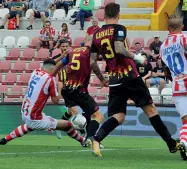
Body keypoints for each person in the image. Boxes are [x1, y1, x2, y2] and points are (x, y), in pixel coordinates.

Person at [90, 2, 179, 158]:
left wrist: (101, 79)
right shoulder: (119, 28)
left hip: (114, 79)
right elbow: (118, 48)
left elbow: (92, 62)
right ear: (118, 15)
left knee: (119, 116)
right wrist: (137, 57)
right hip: (130, 76)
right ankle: (171, 144)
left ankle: (97, 139)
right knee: (151, 110)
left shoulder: (96, 34)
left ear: (104, 16)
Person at [0, 58, 88, 147]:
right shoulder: (50, 79)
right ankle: (83, 141)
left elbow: (50, 63)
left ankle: (5, 139)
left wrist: (62, 56)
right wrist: (60, 89)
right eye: (57, 69)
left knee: (29, 126)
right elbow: (55, 101)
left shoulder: (36, 72)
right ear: (54, 69)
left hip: (25, 111)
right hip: (35, 117)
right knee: (67, 125)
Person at [53, 41, 104, 146]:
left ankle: (59, 126)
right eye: (63, 46)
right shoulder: (87, 52)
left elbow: (58, 65)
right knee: (79, 113)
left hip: (69, 88)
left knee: (74, 112)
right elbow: (52, 63)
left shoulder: (72, 53)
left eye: (66, 46)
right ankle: (86, 137)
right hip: (72, 88)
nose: (65, 48)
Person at [160, 15, 187, 160]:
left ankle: (184, 143)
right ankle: (184, 142)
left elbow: (166, 71)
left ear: (168, 28)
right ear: (182, 27)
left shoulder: (163, 46)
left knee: (186, 122)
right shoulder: (184, 38)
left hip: (177, 85)